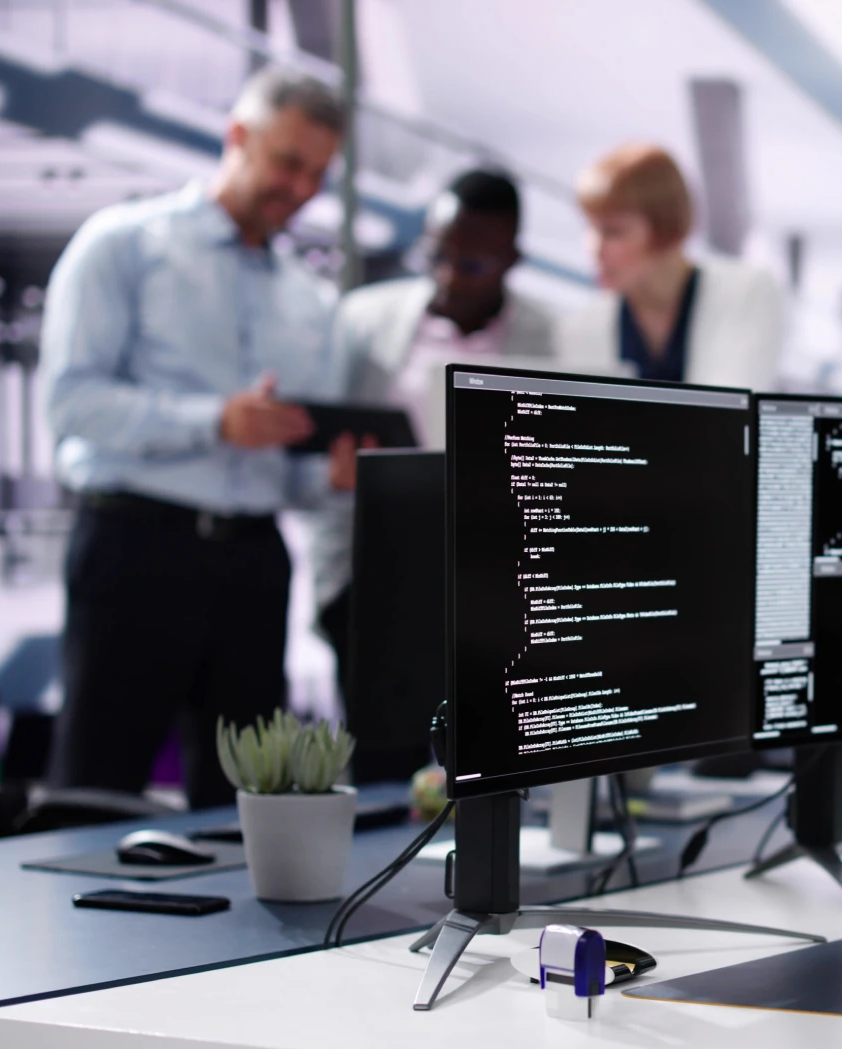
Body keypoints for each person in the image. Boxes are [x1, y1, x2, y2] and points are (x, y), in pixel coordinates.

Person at [40, 69, 360, 808]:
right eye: (288, 163)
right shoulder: (124, 245)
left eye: (317, 173)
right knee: (94, 783)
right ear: (237, 138)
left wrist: (331, 480)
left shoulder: (308, 303)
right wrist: (213, 420)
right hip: (135, 547)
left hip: (253, 565)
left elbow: (290, 477)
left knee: (250, 804)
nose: (301, 188)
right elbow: (70, 402)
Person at [313, 168, 611, 776]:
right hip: (376, 582)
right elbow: (327, 440)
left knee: (488, 765)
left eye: (471, 264)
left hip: (496, 592)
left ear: (510, 260)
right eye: (436, 256)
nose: (449, 277)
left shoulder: (553, 339)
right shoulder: (363, 320)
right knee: (379, 765)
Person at [557, 142, 784, 391]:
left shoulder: (747, 293)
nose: (593, 249)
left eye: (613, 232)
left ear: (665, 229)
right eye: (590, 229)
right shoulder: (581, 326)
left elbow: (727, 412)